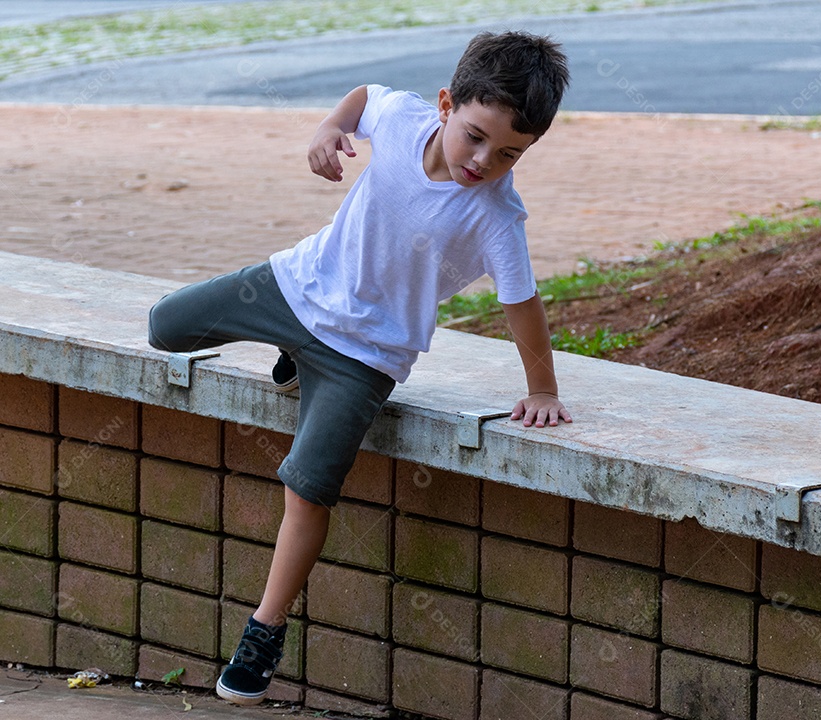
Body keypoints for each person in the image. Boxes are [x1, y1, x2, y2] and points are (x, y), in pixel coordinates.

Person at [146, 30, 572, 705]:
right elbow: (366, 98)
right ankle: (295, 360)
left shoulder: (496, 216)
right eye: (475, 137)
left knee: (309, 486)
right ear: (444, 105)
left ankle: (264, 631)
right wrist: (328, 127)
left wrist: (542, 389)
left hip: (364, 357)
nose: (484, 161)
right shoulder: (404, 121)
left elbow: (523, 307)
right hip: (294, 289)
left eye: (510, 154)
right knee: (164, 327)